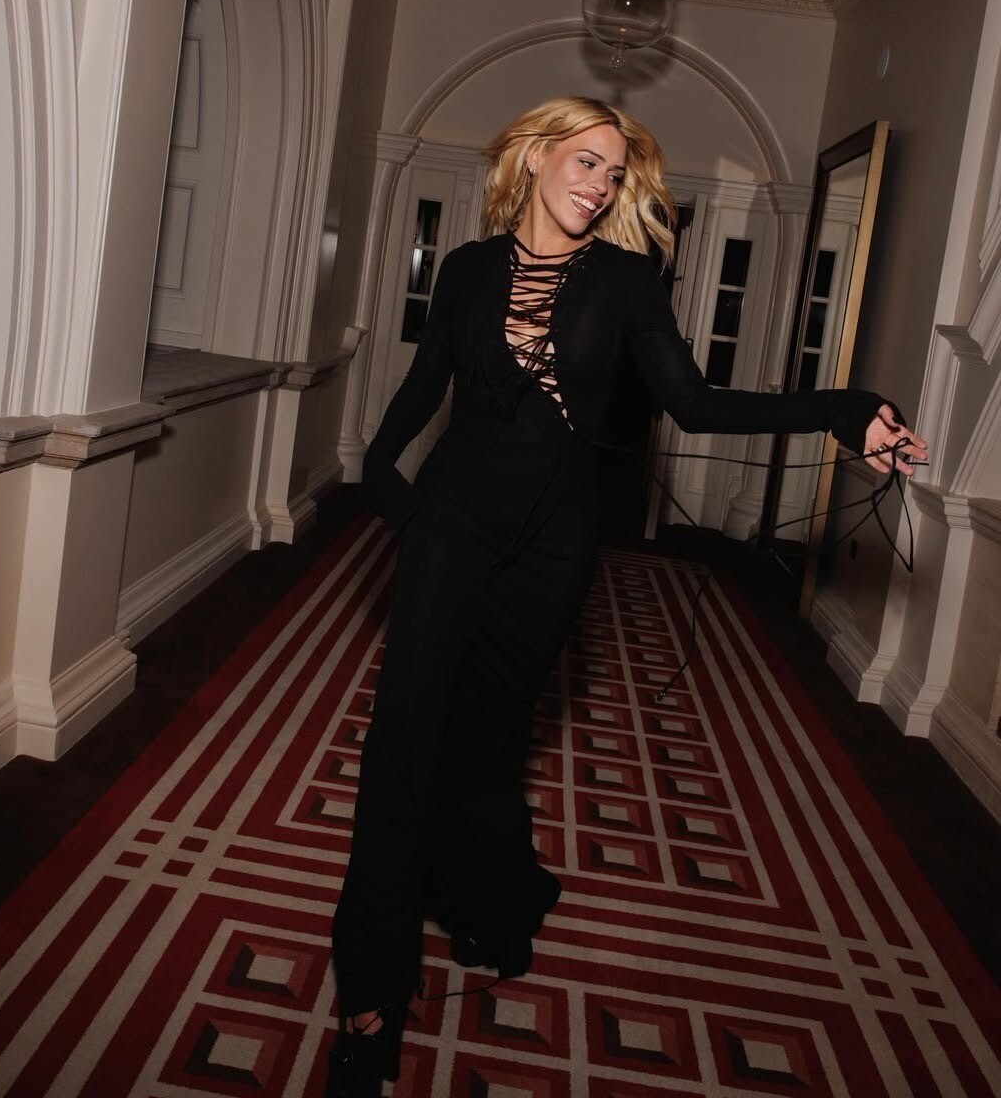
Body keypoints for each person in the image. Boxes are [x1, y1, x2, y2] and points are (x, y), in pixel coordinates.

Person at [325, 96, 927, 1096]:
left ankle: (486, 893)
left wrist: (846, 409)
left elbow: (698, 403)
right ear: (535, 156)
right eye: (587, 161)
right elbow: (416, 398)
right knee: (402, 749)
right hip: (450, 531)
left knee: (491, 738)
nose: (601, 184)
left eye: (615, 174)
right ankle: (370, 999)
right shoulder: (467, 270)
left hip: (553, 547)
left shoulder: (626, 281)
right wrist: (399, 504)